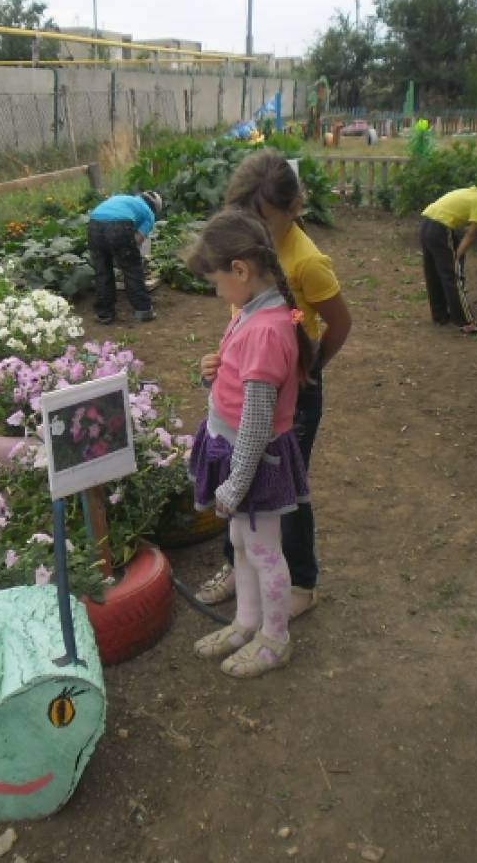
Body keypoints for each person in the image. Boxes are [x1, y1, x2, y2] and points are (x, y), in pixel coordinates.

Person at [195, 150, 352, 619]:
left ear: (294, 208)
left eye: (264, 219)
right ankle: (235, 563)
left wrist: (303, 367)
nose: (255, 229)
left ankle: (301, 581)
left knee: (285, 489)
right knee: (237, 473)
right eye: (246, 218)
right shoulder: (250, 252)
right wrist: (223, 361)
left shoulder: (307, 262)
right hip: (251, 377)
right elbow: (251, 317)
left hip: (290, 390)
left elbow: (334, 322)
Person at [187, 209, 313, 678]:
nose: (216, 291)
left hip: (255, 460)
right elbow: (243, 391)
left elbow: (258, 422)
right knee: (241, 540)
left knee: (263, 551)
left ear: (239, 269)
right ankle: (246, 622)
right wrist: (213, 377)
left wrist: (235, 485)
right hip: (241, 454)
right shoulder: (253, 312)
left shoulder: (264, 330)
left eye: (216, 281)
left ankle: (275, 639)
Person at [420, 178, 477, 335]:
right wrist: (457, 255)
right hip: (442, 229)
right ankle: (467, 322)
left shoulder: (470, 193)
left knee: (434, 273)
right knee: (453, 276)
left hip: (426, 224)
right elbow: (470, 235)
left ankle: (440, 315)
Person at [87, 190, 162, 324]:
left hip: (94, 223)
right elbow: (137, 240)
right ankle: (143, 311)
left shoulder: (123, 198)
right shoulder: (149, 214)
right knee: (132, 268)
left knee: (102, 271)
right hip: (118, 225)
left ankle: (105, 314)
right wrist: (124, 256)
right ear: (155, 208)